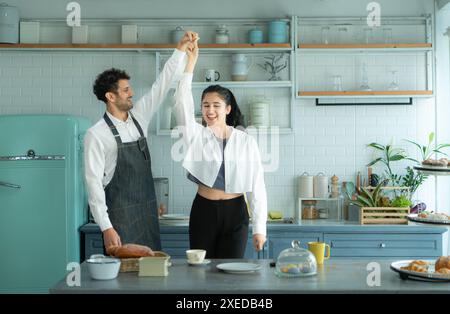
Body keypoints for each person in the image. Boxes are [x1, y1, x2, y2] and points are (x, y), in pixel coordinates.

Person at [84, 31, 196, 254]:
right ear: (110, 96)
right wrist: (106, 227)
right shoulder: (96, 135)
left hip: (148, 216)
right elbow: (93, 185)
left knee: (151, 278)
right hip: (119, 220)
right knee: (123, 281)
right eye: (126, 90)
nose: (132, 93)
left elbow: (161, 85)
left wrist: (180, 49)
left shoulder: (139, 117)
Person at [173, 38, 267, 258]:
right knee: (200, 273)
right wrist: (190, 62)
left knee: (231, 275)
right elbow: (180, 102)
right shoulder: (195, 135)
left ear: (228, 109)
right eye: (206, 105)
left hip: (236, 212)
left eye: (216, 105)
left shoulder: (246, 141)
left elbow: (257, 185)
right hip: (203, 210)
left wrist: (260, 228)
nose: (210, 110)